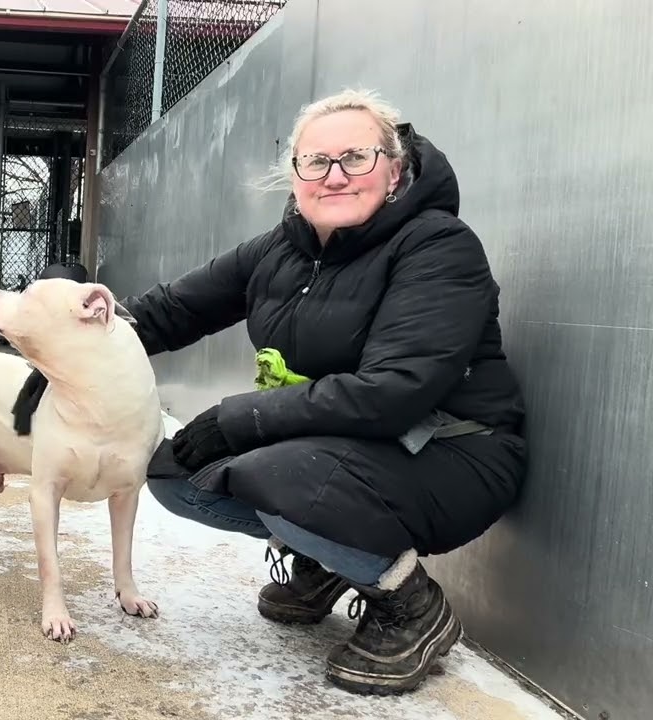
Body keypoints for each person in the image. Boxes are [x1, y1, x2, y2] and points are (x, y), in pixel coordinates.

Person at [115, 88, 528, 695]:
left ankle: (409, 604)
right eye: (316, 162)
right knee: (176, 473)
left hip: (454, 454)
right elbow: (168, 312)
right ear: (295, 174)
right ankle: (330, 560)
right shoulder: (281, 248)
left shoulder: (438, 246)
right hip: (342, 451)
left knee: (279, 472)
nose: (334, 176)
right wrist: (67, 336)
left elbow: (394, 393)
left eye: (355, 158)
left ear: (394, 167)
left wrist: (238, 418)